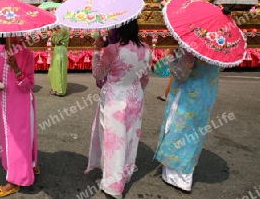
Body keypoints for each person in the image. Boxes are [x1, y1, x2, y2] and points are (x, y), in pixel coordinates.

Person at [84, 19, 152, 199]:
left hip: (115, 99)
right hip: (135, 97)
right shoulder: (146, 49)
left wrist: (97, 51)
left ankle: (113, 185)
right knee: (130, 138)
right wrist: (138, 93)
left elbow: (98, 74)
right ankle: (125, 174)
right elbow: (145, 78)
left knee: (113, 141)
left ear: (118, 29)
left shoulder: (112, 50)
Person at [154, 48, 220, 194]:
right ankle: (184, 175)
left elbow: (180, 75)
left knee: (177, 133)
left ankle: (177, 177)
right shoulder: (215, 48)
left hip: (186, 97)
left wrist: (170, 57)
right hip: (205, 97)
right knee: (193, 135)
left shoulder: (191, 48)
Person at [0, 36, 39, 197]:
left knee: (18, 140)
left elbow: (29, 86)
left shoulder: (27, 54)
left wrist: (16, 68)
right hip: (4, 105)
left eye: (15, 32)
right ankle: (29, 165)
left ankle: (15, 180)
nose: (12, 36)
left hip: (21, 105)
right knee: (8, 139)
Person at [48, 26, 69, 96]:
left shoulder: (63, 29)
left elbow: (56, 41)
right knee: (55, 70)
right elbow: (57, 41)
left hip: (60, 51)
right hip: (57, 50)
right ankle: (55, 88)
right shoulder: (60, 30)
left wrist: (53, 32)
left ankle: (60, 90)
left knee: (60, 70)